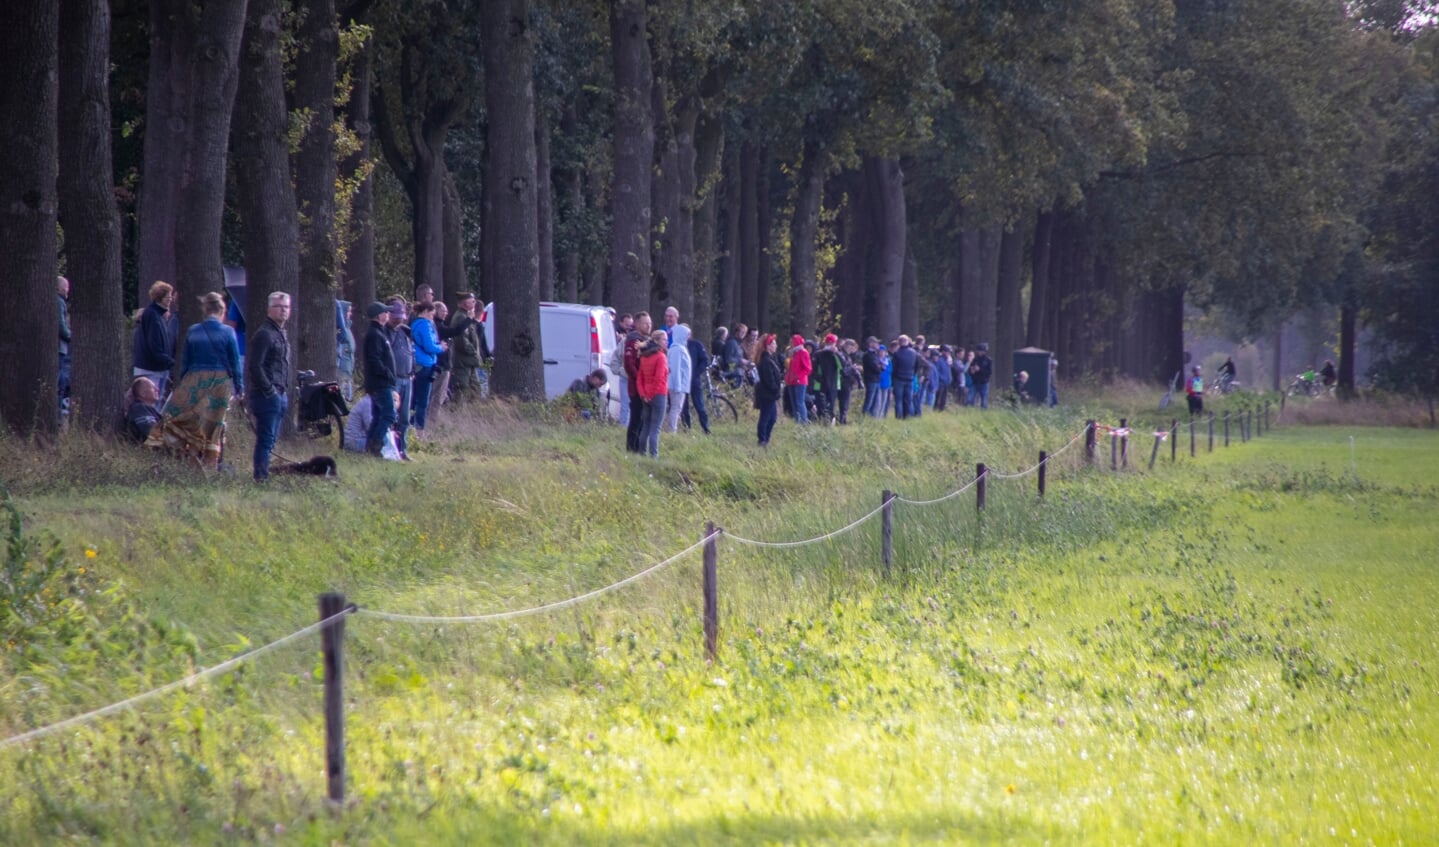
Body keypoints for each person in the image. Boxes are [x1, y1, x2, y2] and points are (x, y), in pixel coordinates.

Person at [145, 292, 244, 468]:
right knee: (213, 426)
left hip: (193, 381)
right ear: (222, 311)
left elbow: (185, 363)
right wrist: (239, 387)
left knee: (183, 420)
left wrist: (181, 385)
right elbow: (235, 363)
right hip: (219, 383)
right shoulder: (228, 332)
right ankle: (210, 466)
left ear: (205, 310)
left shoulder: (193, 331)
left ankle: (189, 458)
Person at [246, 291, 291, 481]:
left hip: (280, 393)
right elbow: (255, 366)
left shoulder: (280, 333)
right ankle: (261, 478)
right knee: (266, 439)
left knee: (271, 440)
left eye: (286, 307)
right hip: (267, 395)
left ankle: (264, 474)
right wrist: (269, 390)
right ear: (269, 309)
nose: (283, 311)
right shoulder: (264, 334)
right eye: (279, 307)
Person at [361, 302, 398, 457]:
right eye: (385, 312)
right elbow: (374, 359)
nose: (388, 315)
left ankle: (370, 448)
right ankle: (376, 445)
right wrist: (387, 374)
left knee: (378, 415)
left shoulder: (379, 333)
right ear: (378, 316)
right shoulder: (374, 335)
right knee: (389, 414)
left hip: (380, 382)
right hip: (380, 383)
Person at [134, 281, 178, 397]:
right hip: (152, 368)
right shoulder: (153, 316)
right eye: (168, 296)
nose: (170, 299)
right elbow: (155, 345)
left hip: (157, 367)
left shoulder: (157, 315)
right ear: (160, 297)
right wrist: (171, 362)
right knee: (152, 401)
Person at [384, 298, 415, 458]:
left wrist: (413, 370)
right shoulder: (385, 332)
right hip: (394, 379)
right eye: (395, 317)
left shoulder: (405, 332)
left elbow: (411, 352)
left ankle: (402, 449)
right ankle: (391, 449)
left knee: (404, 417)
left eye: (400, 317)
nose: (398, 320)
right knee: (392, 416)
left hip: (407, 378)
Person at [409, 300, 446, 432]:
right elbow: (429, 346)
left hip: (419, 363)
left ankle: (412, 425)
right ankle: (419, 429)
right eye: (431, 313)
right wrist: (440, 347)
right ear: (425, 312)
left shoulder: (414, 323)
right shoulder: (424, 325)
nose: (432, 316)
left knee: (415, 398)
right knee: (423, 400)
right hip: (424, 364)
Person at [636, 329, 670, 458]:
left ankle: (642, 453)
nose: (666, 342)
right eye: (664, 339)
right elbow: (659, 378)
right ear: (656, 341)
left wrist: (643, 394)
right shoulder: (661, 357)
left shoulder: (644, 356)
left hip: (645, 394)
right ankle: (654, 456)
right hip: (658, 394)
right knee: (655, 428)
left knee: (646, 426)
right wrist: (651, 394)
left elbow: (640, 378)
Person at [623, 311, 652, 453]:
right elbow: (629, 364)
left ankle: (639, 448)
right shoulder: (633, 340)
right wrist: (639, 380)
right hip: (636, 387)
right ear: (638, 324)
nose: (649, 326)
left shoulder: (646, 340)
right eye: (645, 323)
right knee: (636, 417)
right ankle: (631, 448)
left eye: (650, 323)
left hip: (646, 386)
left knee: (643, 418)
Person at [448, 292, 484, 402]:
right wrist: (473, 352)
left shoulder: (467, 316)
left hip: (469, 363)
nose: (475, 303)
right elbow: (461, 340)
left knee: (475, 391)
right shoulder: (461, 317)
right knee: (461, 392)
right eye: (472, 301)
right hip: (463, 363)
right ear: (464, 303)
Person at [754, 334, 782, 446]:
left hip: (771, 394)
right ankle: (762, 439)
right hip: (767, 394)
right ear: (768, 346)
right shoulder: (765, 361)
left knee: (772, 418)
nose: (776, 345)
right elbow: (769, 379)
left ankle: (765, 438)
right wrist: (775, 388)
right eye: (774, 343)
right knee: (766, 417)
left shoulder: (771, 359)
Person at [682, 327, 711, 434]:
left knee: (700, 405)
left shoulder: (696, 345)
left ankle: (706, 428)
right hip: (683, 381)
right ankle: (687, 428)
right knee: (684, 407)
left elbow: (704, 361)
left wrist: (695, 373)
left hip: (694, 380)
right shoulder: (679, 346)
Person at [663, 324, 692, 433]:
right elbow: (675, 368)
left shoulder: (679, 348)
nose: (688, 337)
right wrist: (678, 386)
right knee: (676, 408)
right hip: (677, 385)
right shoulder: (678, 350)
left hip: (678, 384)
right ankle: (671, 430)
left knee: (676, 408)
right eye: (686, 335)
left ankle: (671, 429)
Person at [812, 334, 843, 424]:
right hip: (819, 384)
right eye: (828, 343)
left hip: (833, 384)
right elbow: (813, 369)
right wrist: (818, 378)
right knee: (821, 405)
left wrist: (836, 353)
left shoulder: (836, 354)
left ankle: (830, 422)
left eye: (832, 343)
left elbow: (842, 366)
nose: (830, 345)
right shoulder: (818, 354)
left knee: (831, 405)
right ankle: (820, 421)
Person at [124, 377, 163, 444]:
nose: (157, 389)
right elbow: (150, 431)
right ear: (143, 394)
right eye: (153, 388)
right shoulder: (138, 408)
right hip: (145, 449)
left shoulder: (148, 408)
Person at [783, 334, 812, 424]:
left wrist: (798, 376)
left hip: (800, 381)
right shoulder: (792, 353)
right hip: (791, 381)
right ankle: (797, 420)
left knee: (799, 402)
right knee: (794, 403)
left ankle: (804, 421)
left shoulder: (803, 352)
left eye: (792, 342)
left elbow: (808, 368)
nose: (791, 343)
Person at [889, 335, 918, 420]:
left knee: (898, 400)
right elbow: (916, 366)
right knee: (909, 399)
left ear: (899, 342)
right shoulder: (913, 353)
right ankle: (908, 416)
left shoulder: (896, 354)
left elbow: (893, 367)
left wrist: (893, 377)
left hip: (898, 378)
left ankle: (899, 417)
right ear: (908, 342)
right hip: (910, 378)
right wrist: (913, 374)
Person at [336, 300, 356, 402]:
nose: (350, 313)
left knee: (348, 398)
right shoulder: (340, 330)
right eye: (348, 311)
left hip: (349, 369)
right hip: (342, 369)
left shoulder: (348, 328)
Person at [57, 277, 71, 417]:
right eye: (66, 287)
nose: (68, 290)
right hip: (59, 348)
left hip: (60, 348)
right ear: (61, 288)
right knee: (59, 383)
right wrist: (71, 336)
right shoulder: (59, 302)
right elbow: (61, 326)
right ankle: (58, 415)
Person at [968, 342, 993, 409]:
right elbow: (970, 369)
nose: (979, 352)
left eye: (980, 351)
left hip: (984, 382)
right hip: (975, 382)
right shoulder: (975, 360)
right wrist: (972, 371)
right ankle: (969, 410)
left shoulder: (988, 360)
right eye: (978, 351)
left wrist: (980, 370)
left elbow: (989, 372)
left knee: (984, 399)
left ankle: (983, 412)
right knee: (970, 398)